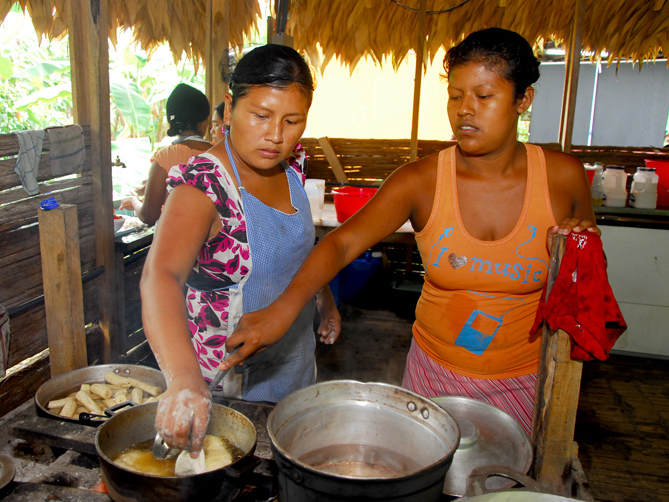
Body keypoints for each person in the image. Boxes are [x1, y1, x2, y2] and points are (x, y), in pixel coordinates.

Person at [222, 28, 599, 435]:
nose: (465, 110)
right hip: (433, 378)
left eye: (484, 96)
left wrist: (581, 241)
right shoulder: (420, 181)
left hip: (524, 380)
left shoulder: (563, 179)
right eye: (455, 96)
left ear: (523, 99)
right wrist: (284, 310)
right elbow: (342, 242)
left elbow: (588, 280)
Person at [141, 44, 341, 456]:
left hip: (295, 363)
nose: (276, 135)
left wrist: (325, 300)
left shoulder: (292, 169)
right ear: (229, 109)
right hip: (230, 390)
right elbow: (160, 277)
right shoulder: (203, 188)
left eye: (292, 121)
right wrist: (182, 380)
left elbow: (300, 250)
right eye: (261, 115)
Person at [120, 83, 213, 225]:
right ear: (203, 122)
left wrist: (134, 201)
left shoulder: (165, 158)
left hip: (175, 243)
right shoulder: (220, 153)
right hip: (219, 244)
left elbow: (149, 216)